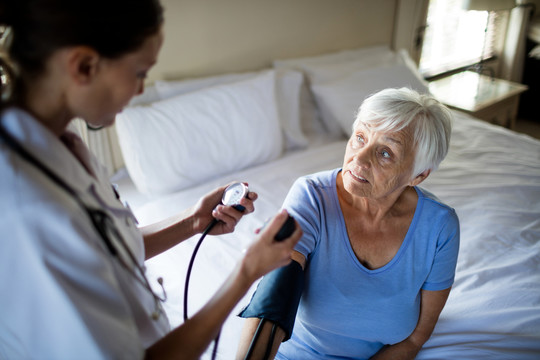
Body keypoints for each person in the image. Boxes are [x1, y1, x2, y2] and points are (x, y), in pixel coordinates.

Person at [0, 0, 302, 358]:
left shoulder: (65, 145)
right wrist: (247, 272)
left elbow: (105, 249)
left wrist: (193, 220)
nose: (141, 89)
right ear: (84, 66)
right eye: (140, 72)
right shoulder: (26, 207)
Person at [237, 87, 460, 360]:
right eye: (360, 137)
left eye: (386, 153)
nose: (359, 158)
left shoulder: (440, 228)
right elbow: (273, 304)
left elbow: (415, 339)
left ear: (418, 175)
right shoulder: (312, 196)